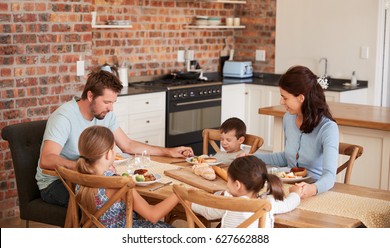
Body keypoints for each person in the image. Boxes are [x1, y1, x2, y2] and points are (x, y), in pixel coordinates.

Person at [36, 69, 193, 207]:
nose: (111, 108)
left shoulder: (104, 114)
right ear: (90, 96)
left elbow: (128, 145)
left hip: (89, 178)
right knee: (122, 201)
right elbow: (47, 159)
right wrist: (83, 168)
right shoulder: (64, 117)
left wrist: (168, 151)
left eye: (113, 102)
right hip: (56, 183)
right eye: (106, 102)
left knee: (133, 197)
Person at [252, 65, 339, 199]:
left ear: (301, 98)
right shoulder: (288, 118)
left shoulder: (328, 128)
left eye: (285, 97)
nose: (281, 102)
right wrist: (251, 157)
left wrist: (311, 189)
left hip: (315, 192)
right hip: (287, 189)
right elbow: (286, 158)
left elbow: (329, 176)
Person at [75, 125, 178, 228]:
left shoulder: (79, 177)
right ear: (108, 154)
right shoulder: (118, 183)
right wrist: (178, 193)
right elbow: (153, 215)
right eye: (114, 148)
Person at [191, 156, 301, 228]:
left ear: (237, 185)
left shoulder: (227, 202)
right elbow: (289, 203)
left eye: (228, 180)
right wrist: (295, 192)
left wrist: (190, 202)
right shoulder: (268, 203)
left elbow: (207, 211)